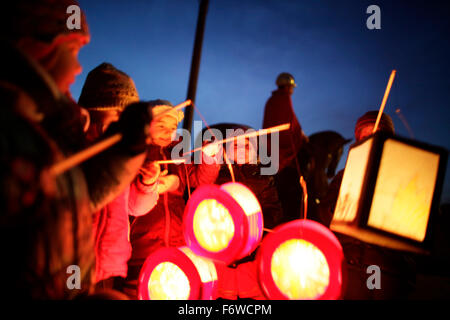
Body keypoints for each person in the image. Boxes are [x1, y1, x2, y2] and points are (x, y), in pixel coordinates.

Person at [0, 0, 154, 299]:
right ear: (37, 48)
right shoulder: (14, 128)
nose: (78, 66)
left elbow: (76, 192)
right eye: (72, 50)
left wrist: (126, 154)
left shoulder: (47, 127)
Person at [124, 100, 221, 298]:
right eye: (161, 126)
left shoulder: (179, 156)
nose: (167, 132)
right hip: (141, 249)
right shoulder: (134, 154)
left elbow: (200, 180)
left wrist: (210, 158)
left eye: (172, 127)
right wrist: (151, 183)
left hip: (178, 246)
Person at [78, 63, 160, 291]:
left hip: (109, 260)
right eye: (112, 121)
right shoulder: (76, 151)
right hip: (73, 259)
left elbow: (135, 206)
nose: (118, 130)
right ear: (90, 116)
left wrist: (147, 184)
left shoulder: (124, 159)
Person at [320, 110, 416, 299]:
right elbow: (325, 213)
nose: (371, 139)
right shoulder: (345, 176)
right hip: (351, 264)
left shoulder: (407, 173)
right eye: (365, 135)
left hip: (390, 267)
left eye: (377, 133)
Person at [201, 123, 283, 300]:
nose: (241, 149)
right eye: (235, 145)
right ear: (227, 150)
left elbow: (273, 210)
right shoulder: (218, 176)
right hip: (222, 250)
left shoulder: (263, 179)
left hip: (253, 253)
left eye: (247, 145)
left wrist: (256, 229)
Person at [262, 72, 309, 223]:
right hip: (281, 142)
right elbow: (290, 120)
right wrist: (300, 134)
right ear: (288, 86)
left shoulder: (271, 100)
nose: (292, 90)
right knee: (306, 153)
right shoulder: (284, 98)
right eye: (291, 87)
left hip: (271, 141)